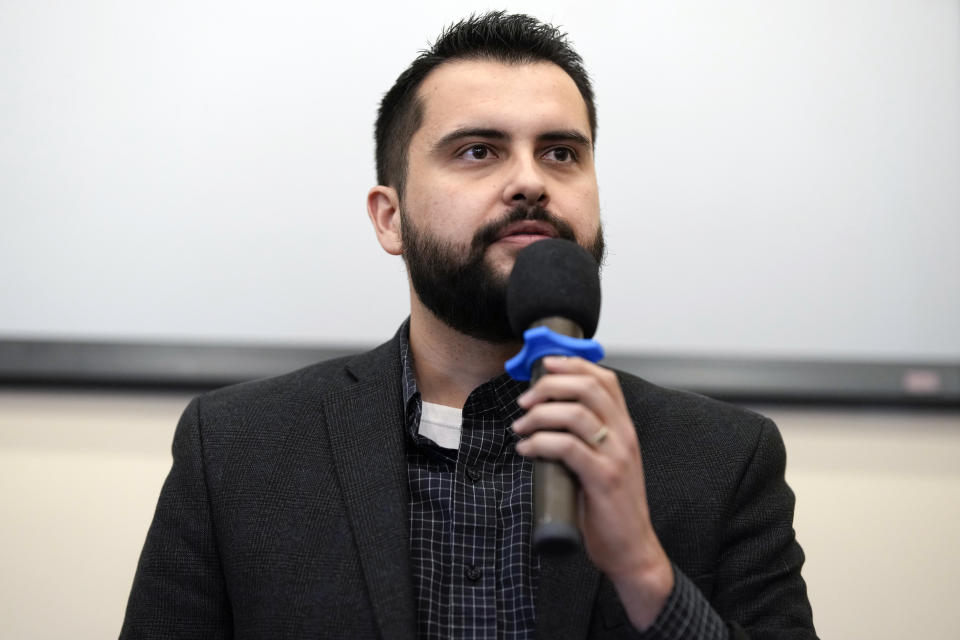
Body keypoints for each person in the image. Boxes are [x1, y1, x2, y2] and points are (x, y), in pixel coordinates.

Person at [121, 12, 816, 640]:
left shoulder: (726, 460)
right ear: (389, 218)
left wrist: (644, 572)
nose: (531, 182)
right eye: (478, 151)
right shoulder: (238, 451)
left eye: (561, 153)